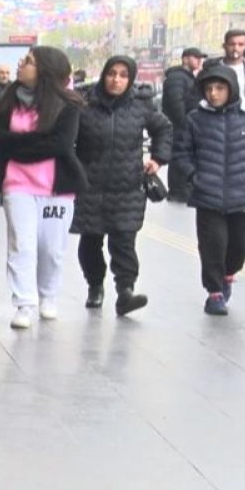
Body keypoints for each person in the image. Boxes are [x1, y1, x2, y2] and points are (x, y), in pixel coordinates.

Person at [0, 46, 88, 329]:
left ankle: (49, 296)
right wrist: (35, 142)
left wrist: (17, 143)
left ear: (44, 70)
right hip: (16, 184)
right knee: (21, 243)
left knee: (52, 249)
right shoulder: (9, 99)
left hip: (57, 187)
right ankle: (24, 303)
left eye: (29, 61)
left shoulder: (68, 105)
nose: (21, 64)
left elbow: (60, 144)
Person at [72, 56, 172, 316]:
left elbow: (164, 129)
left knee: (124, 241)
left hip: (126, 185)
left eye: (123, 75)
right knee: (90, 241)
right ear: (104, 75)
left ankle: (125, 292)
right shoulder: (84, 104)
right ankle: (95, 286)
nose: (116, 80)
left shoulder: (141, 105)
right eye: (112, 73)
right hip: (90, 185)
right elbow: (68, 137)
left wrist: (158, 159)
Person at [171, 66, 245, 316]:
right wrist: (194, 177)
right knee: (212, 246)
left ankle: (229, 273)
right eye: (209, 89)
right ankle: (215, 292)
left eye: (219, 88)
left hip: (244, 196)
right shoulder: (195, 118)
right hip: (208, 197)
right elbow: (182, 153)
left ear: (232, 89)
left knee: (242, 243)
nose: (213, 94)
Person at [198, 29, 245, 123]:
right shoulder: (210, 70)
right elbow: (196, 96)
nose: (236, 48)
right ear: (224, 46)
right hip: (215, 119)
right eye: (232, 44)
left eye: (240, 44)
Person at [161, 47, 206, 202]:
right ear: (185, 59)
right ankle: (178, 191)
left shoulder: (188, 77)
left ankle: (183, 189)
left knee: (185, 155)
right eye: (196, 57)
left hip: (186, 124)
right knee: (179, 156)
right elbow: (176, 102)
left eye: (200, 58)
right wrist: (184, 123)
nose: (199, 60)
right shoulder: (177, 77)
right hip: (179, 125)